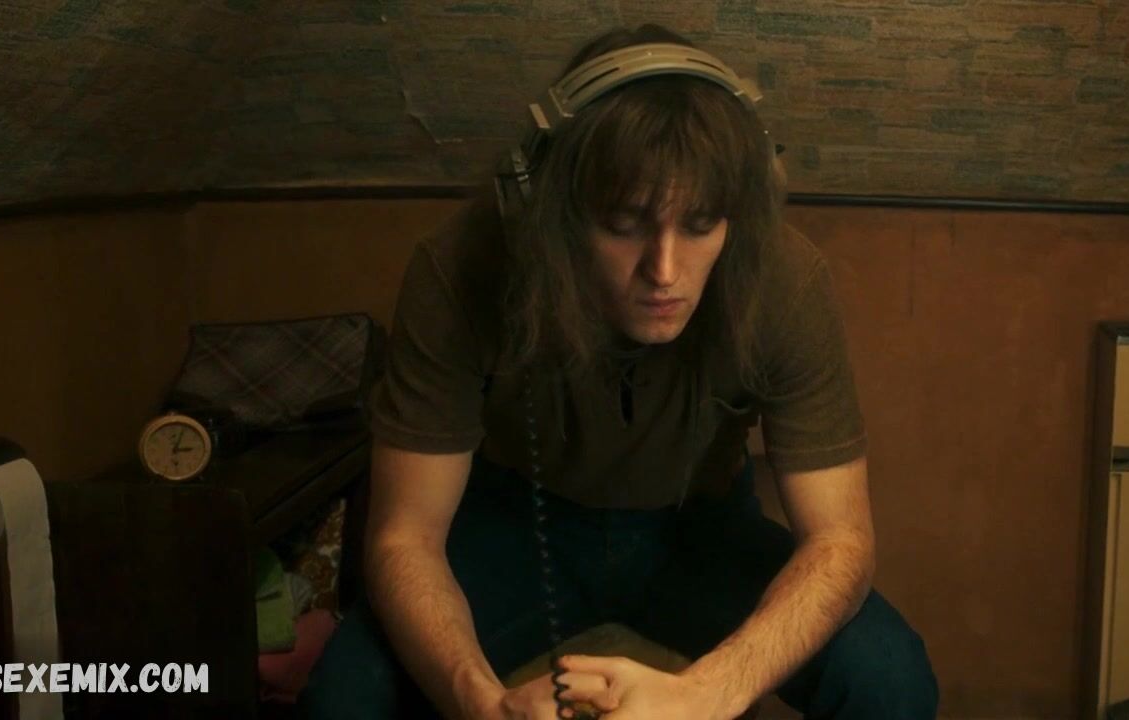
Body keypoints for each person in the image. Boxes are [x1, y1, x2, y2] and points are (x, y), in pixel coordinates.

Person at [297, 23, 939, 720]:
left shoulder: (787, 280)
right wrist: (482, 703)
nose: (664, 271)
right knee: (344, 695)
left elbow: (841, 540)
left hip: (699, 531)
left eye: (700, 223)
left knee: (889, 674)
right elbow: (405, 536)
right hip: (512, 525)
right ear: (552, 208)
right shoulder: (459, 268)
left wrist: (707, 694)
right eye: (625, 224)